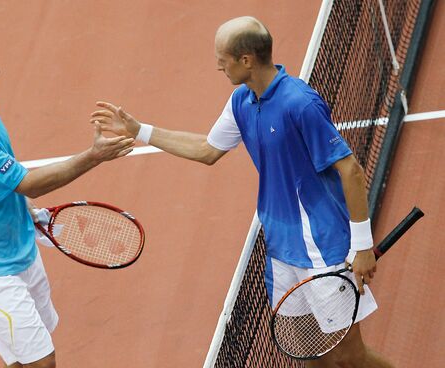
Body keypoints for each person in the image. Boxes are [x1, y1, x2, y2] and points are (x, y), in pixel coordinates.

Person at [91, 16, 394, 368]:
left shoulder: (301, 104)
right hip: (281, 248)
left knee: (350, 356)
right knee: (311, 353)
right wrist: (139, 130)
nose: (219, 64)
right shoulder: (242, 100)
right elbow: (207, 149)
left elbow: (351, 170)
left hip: (320, 247)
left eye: (224, 59)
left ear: (246, 59)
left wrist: (361, 246)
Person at [0, 24, 134, 368]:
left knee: (24, 357)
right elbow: (29, 183)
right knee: (42, 361)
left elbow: (0, 179)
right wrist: (94, 156)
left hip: (15, 243)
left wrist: (23, 210)